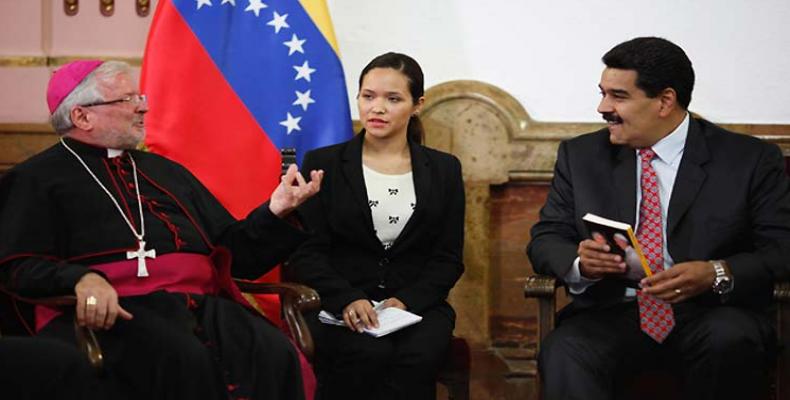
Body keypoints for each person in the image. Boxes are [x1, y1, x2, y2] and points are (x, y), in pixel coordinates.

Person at [0, 60, 324, 400]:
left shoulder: (165, 171)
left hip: (200, 304)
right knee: (183, 357)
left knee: (274, 352)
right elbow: (16, 266)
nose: (144, 106)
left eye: (138, 96)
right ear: (82, 116)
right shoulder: (35, 179)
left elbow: (236, 256)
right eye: (127, 100)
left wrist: (277, 210)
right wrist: (80, 279)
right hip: (117, 313)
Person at [527, 37, 790, 400]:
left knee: (729, 340)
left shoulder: (748, 159)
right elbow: (547, 237)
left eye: (618, 96)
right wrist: (580, 263)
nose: (603, 107)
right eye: (602, 93)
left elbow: (781, 248)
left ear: (665, 101)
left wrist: (716, 272)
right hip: (614, 311)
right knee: (565, 350)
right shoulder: (581, 155)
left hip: (711, 311)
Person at [288, 52, 465, 400]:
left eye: (393, 98)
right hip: (341, 305)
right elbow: (306, 252)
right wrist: (346, 298)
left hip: (417, 307)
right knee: (365, 354)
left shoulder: (444, 170)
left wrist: (406, 301)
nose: (377, 108)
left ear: (417, 104)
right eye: (368, 96)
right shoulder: (324, 163)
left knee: (417, 356)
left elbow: (448, 257)